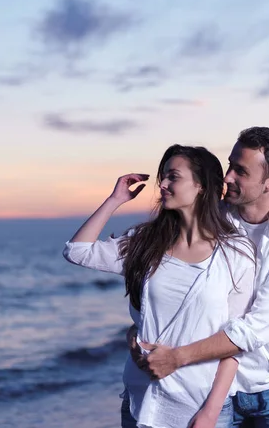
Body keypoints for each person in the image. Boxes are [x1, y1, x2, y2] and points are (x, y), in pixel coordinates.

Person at [63, 145, 257, 428]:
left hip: (198, 409)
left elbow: (235, 340)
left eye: (173, 177)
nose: (163, 185)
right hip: (141, 403)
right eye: (162, 177)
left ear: (201, 186)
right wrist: (115, 199)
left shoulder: (235, 253)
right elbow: (78, 251)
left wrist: (211, 413)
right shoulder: (144, 243)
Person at [133, 128, 269, 427]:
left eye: (241, 171)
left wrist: (177, 357)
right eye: (230, 164)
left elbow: (254, 330)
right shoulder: (209, 218)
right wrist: (138, 331)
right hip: (208, 389)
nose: (227, 176)